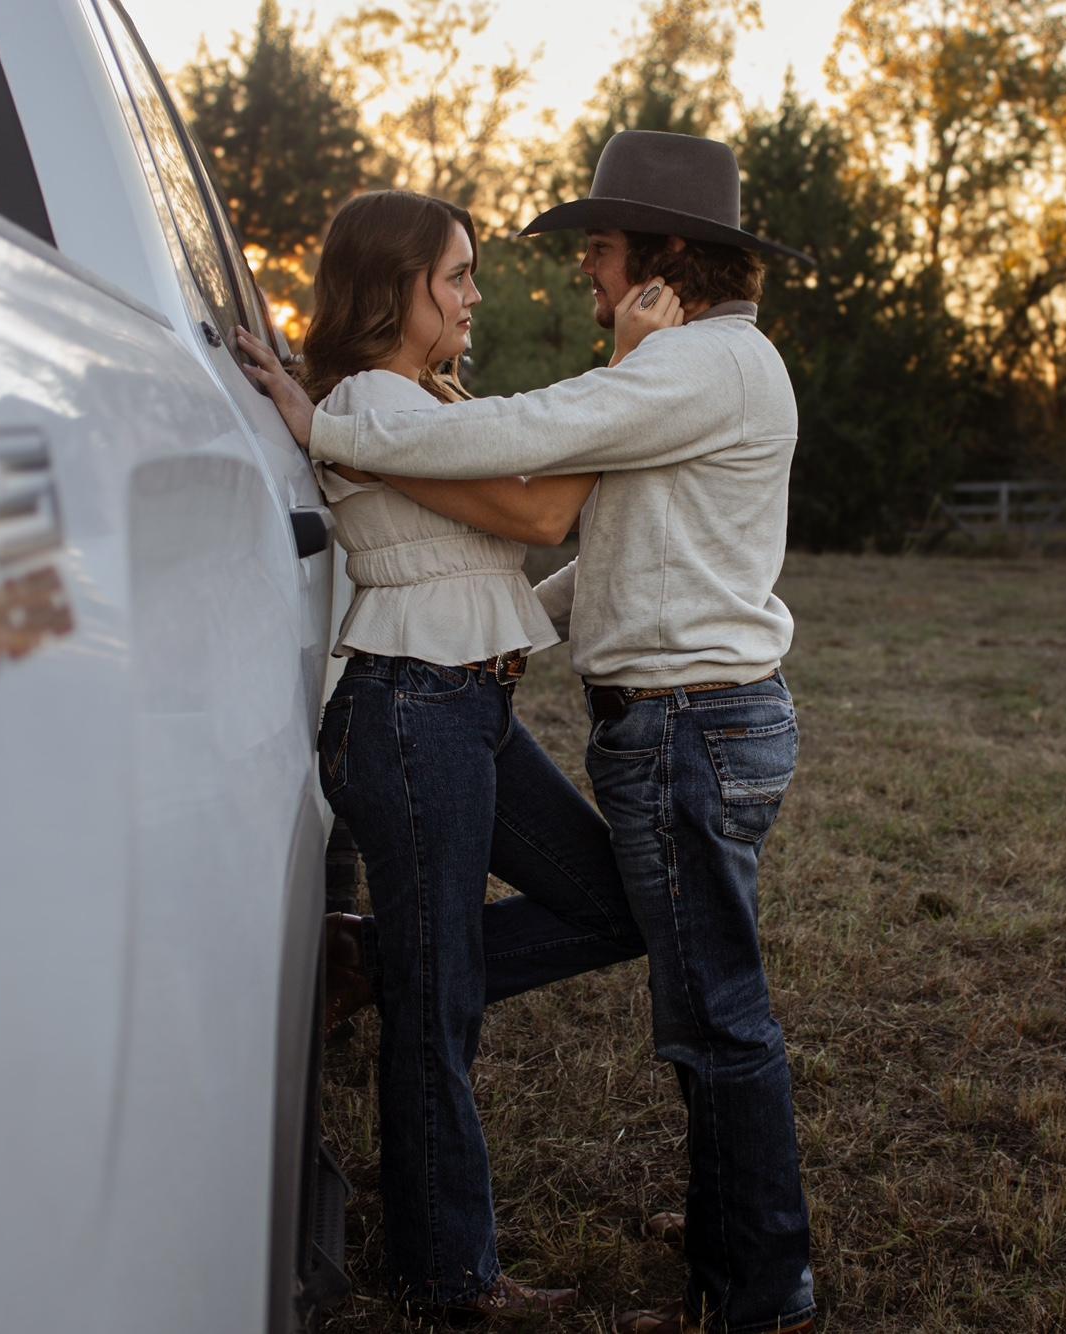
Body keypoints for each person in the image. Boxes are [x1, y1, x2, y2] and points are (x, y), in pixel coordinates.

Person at [241, 130, 819, 1334]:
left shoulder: (686, 364)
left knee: (692, 997)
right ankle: (512, 1253)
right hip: (480, 708)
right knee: (659, 996)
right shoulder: (398, 397)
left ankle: (754, 1278)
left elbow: (542, 476)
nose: (582, 272)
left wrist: (328, 428)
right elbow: (566, 525)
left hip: (629, 717)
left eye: (599, 249)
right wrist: (338, 425)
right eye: (455, 275)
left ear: (663, 258)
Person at [297, 188, 681, 1323]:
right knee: (441, 1006)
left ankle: (369, 957)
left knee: (613, 905)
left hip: (464, 709)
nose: (473, 296)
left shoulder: (426, 401)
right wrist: (629, 369)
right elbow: (542, 511)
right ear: (393, 285)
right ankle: (447, 1276)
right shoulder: (369, 402)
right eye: (455, 275)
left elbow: (502, 555)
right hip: (409, 711)